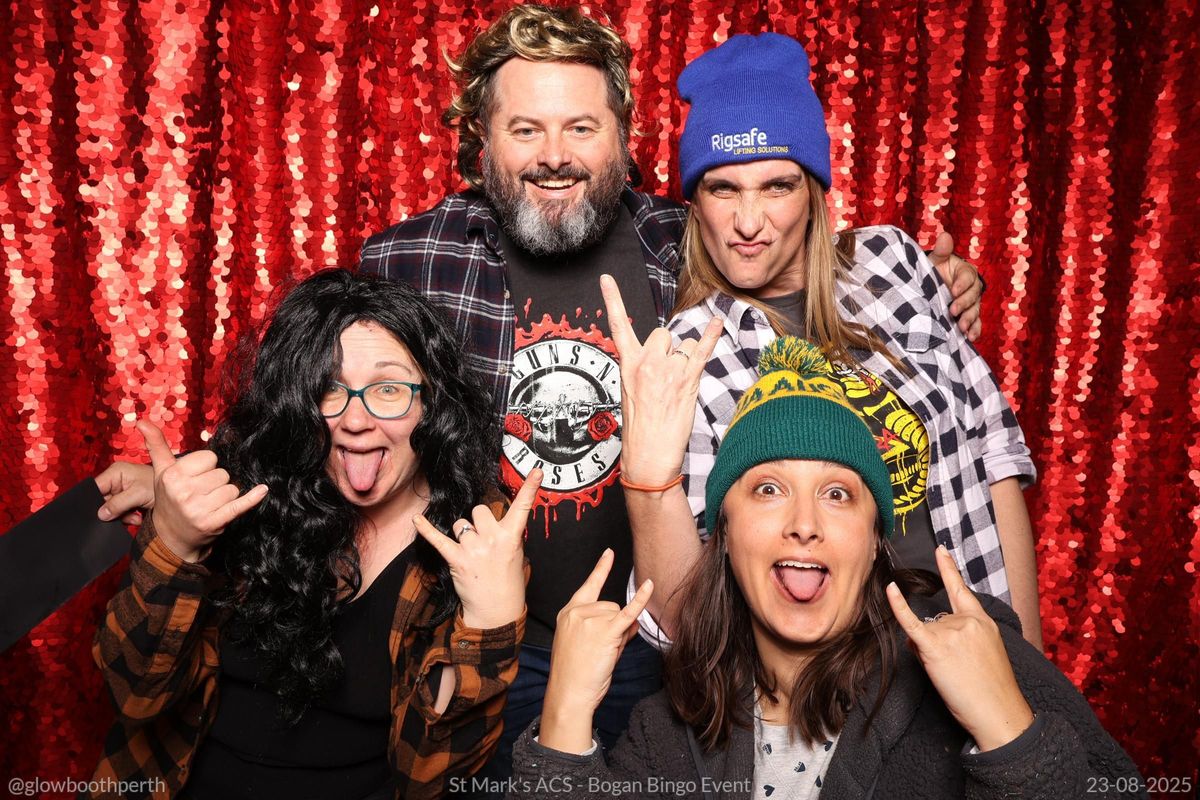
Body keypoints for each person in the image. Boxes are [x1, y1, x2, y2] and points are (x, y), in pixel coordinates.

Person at [93, 4, 985, 777]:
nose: (554, 156)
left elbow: (792, 243)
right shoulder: (414, 258)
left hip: (662, 638)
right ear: (482, 140)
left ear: (623, 137)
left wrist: (933, 278)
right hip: (481, 636)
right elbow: (331, 395)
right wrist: (206, 473)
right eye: (525, 130)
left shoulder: (687, 243)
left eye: (581, 128)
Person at [507, 338, 1142, 799]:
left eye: (838, 494)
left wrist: (1008, 733)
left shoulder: (976, 654)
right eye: (768, 489)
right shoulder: (667, 731)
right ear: (722, 535)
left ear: (874, 541)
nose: (804, 523)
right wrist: (563, 721)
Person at [612, 32, 1044, 652]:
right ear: (695, 202)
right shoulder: (689, 350)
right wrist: (648, 478)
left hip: (977, 646)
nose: (748, 223)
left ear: (814, 193)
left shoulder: (891, 263)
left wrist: (1025, 656)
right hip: (836, 682)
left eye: (777, 186)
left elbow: (993, 453)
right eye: (723, 188)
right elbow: (682, 620)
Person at [87, 270, 538, 800]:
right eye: (327, 388)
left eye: (388, 389)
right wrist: (172, 544)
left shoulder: (478, 535)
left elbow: (430, 779)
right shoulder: (243, 487)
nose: (355, 420)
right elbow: (136, 696)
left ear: (432, 401)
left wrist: (490, 626)